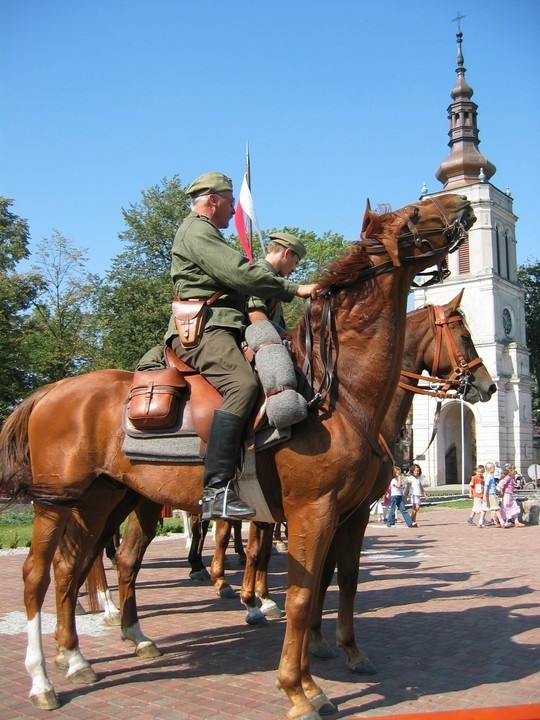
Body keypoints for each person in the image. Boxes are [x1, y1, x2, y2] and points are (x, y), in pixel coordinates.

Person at [164, 172, 319, 521]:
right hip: (206, 328)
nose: (233, 208)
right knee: (243, 384)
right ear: (212, 199)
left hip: (222, 327)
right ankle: (216, 491)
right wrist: (295, 290)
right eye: (229, 200)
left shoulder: (205, 232)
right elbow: (240, 274)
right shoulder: (197, 230)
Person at [477, 461, 504, 528]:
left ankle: (480, 522)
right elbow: (486, 486)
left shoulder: (490, 476)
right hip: (490, 494)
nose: (494, 469)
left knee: (484, 509)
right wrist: (484, 496)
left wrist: (497, 490)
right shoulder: (488, 477)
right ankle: (502, 522)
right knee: (496, 508)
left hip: (490, 493)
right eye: (493, 468)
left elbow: (492, 486)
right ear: (489, 469)